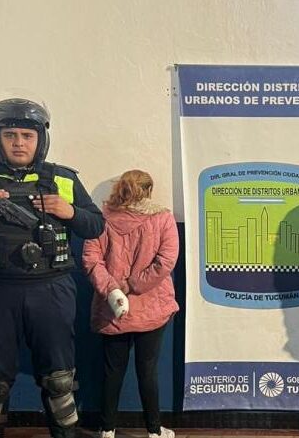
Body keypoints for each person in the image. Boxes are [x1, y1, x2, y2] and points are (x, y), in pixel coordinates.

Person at [0, 98, 104, 438]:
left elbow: (96, 226)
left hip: (51, 288)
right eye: (10, 135)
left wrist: (69, 212)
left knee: (59, 378)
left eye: (27, 135)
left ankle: (64, 433)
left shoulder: (62, 179)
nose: (19, 142)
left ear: (40, 139)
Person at [82, 170, 179, 438]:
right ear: (148, 190)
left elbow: (91, 260)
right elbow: (165, 262)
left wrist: (113, 289)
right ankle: (154, 431)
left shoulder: (101, 218)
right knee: (147, 371)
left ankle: (107, 430)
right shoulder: (163, 218)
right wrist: (132, 285)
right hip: (152, 307)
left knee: (112, 372)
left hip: (112, 309)